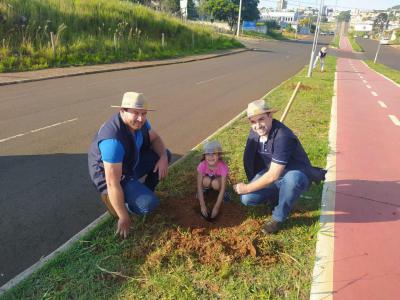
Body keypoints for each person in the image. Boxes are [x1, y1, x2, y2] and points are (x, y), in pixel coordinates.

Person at [233, 99, 326, 234]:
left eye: (261, 119)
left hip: (295, 173)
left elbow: (273, 175)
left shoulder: (283, 137)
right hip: (272, 172)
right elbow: (250, 159)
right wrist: (253, 182)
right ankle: (278, 197)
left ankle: (278, 217)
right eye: (253, 121)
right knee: (247, 198)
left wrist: (247, 187)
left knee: (293, 180)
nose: (257, 125)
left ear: (270, 116)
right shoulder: (255, 133)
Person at [88, 92, 170, 238]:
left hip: (129, 163)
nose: (140, 118)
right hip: (112, 177)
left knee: (165, 153)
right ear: (122, 111)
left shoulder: (141, 124)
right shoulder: (113, 141)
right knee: (147, 205)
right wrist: (123, 217)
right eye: (136, 113)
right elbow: (112, 182)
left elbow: (155, 139)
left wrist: (163, 157)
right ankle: (117, 204)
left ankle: (144, 190)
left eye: (144, 113)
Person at [196, 140, 230, 220]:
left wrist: (216, 207)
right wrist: (202, 205)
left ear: (219, 155)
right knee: (206, 181)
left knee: (215, 183)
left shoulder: (222, 167)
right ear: (204, 156)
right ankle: (206, 189)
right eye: (208, 154)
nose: (210, 157)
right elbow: (199, 185)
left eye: (214, 154)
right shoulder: (202, 165)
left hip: (218, 183)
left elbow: (222, 189)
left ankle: (223, 194)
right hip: (207, 180)